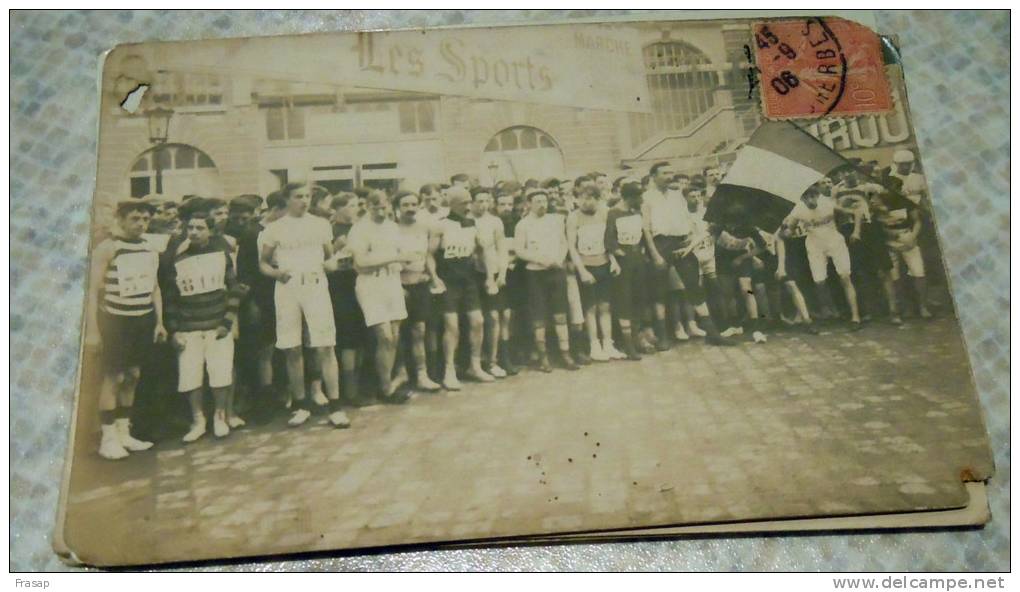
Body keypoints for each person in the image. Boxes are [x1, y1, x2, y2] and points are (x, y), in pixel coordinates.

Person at [259, 182, 350, 428]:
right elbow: (264, 264)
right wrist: (277, 274)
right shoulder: (274, 229)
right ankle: (301, 405)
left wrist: (334, 264)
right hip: (288, 288)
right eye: (298, 196)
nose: (304, 201)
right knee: (292, 347)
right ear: (286, 200)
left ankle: (335, 406)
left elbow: (329, 258)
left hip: (315, 286)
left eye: (307, 196)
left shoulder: (320, 225)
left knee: (325, 345)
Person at [85, 199, 165, 460]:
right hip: (116, 321)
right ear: (120, 219)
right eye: (135, 219)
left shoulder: (149, 247)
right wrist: (93, 330)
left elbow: (155, 288)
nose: (141, 224)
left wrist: (159, 322)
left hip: (142, 320)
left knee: (132, 375)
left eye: (145, 219)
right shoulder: (108, 248)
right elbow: (93, 291)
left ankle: (124, 432)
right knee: (114, 377)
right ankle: (107, 438)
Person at [164, 210, 242, 441]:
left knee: (220, 374)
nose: (195, 232)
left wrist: (227, 322)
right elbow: (170, 298)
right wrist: (175, 330)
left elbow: (234, 290)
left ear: (210, 230)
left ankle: (220, 416)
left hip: (217, 326)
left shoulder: (221, 255)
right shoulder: (177, 259)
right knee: (190, 376)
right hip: (189, 328)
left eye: (200, 228)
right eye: (191, 228)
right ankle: (198, 420)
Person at [642, 162, 732, 347]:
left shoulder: (677, 196)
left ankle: (712, 333)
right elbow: (646, 229)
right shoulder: (647, 198)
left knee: (694, 286)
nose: (670, 176)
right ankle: (662, 337)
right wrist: (655, 255)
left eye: (671, 172)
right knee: (660, 291)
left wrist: (690, 244)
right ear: (653, 176)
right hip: (660, 244)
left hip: (682, 243)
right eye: (665, 173)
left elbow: (687, 222)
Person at [429, 186, 500, 389]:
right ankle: (449, 370)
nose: (468, 207)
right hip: (448, 280)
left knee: (477, 321)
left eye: (469, 202)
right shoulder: (440, 226)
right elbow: (429, 254)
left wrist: (489, 277)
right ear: (451, 204)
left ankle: (475, 365)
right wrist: (434, 277)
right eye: (463, 203)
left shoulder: (472, 225)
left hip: (468, 280)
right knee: (452, 326)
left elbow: (484, 250)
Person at [348, 190, 415, 403]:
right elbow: (361, 263)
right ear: (367, 206)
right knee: (383, 335)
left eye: (384, 205)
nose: (380, 210)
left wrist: (403, 260)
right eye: (375, 206)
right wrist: (394, 257)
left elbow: (405, 256)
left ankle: (385, 386)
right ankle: (383, 386)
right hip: (370, 284)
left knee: (394, 335)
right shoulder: (359, 230)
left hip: (392, 282)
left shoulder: (393, 227)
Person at [783, 184, 863, 329]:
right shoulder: (799, 209)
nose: (810, 200)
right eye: (806, 197)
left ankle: (855, 317)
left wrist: (856, 231)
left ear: (818, 195)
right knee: (819, 282)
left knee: (845, 277)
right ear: (802, 198)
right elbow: (790, 229)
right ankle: (828, 311)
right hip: (815, 246)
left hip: (835, 242)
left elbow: (856, 212)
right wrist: (786, 231)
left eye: (813, 196)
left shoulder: (828, 203)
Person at [515, 189, 578, 372]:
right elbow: (520, 250)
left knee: (560, 313)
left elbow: (564, 242)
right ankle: (543, 357)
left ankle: (565, 353)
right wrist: (540, 260)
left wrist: (559, 258)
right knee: (539, 316)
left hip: (556, 271)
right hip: (535, 274)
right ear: (529, 204)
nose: (542, 204)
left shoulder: (555, 220)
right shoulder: (523, 225)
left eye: (544, 200)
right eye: (537, 201)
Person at [567, 184, 624, 361]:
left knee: (605, 306)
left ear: (597, 199)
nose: (586, 201)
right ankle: (594, 345)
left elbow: (609, 241)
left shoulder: (605, 213)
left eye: (590, 197)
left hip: (604, 263)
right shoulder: (573, 217)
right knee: (590, 308)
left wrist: (613, 261)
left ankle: (608, 343)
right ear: (577, 199)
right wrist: (582, 271)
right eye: (582, 197)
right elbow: (572, 247)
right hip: (586, 266)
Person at [394, 191, 443, 392]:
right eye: (405, 205)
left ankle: (422, 374)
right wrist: (397, 285)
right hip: (398, 285)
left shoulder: (424, 228)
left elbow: (427, 256)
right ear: (398, 206)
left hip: (419, 285)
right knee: (396, 333)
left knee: (419, 330)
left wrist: (434, 277)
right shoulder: (392, 229)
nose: (410, 208)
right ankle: (401, 373)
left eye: (414, 204)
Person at [326, 192, 371, 406]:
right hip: (340, 289)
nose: (356, 209)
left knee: (362, 338)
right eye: (351, 205)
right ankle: (350, 392)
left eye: (356, 205)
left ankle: (360, 385)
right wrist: (336, 250)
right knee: (347, 341)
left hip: (362, 286)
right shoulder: (330, 231)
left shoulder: (360, 229)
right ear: (338, 209)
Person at [870, 177, 933, 320]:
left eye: (894, 188)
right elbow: (876, 227)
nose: (890, 191)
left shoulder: (906, 202)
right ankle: (900, 309)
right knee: (893, 277)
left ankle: (923, 306)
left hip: (908, 239)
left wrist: (912, 236)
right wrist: (891, 236)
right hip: (889, 243)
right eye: (888, 187)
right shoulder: (877, 202)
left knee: (919, 273)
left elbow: (917, 221)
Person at [469, 187, 510, 377]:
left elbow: (502, 248)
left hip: (492, 272)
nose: (483, 205)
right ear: (471, 202)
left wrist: (501, 273)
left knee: (494, 316)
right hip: (472, 273)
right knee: (475, 320)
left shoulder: (495, 221)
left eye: (486, 200)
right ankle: (475, 361)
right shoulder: (467, 221)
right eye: (479, 201)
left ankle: (493, 361)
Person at [604, 181, 646, 360]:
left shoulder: (636, 211)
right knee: (624, 300)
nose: (641, 200)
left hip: (638, 259)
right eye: (638, 197)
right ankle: (627, 343)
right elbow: (609, 240)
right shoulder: (613, 213)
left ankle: (636, 338)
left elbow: (642, 234)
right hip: (624, 261)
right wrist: (621, 254)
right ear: (629, 197)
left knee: (638, 298)